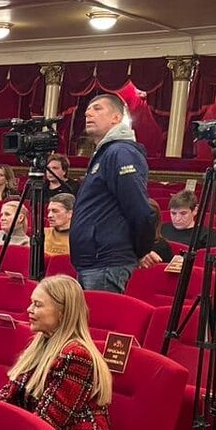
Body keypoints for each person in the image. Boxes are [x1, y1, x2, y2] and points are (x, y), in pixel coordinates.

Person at [0, 275, 112, 430]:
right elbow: (7, 396)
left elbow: (47, 423)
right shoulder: (40, 345)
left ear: (62, 313)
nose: (29, 309)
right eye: (31, 302)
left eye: (38, 305)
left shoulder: (77, 356)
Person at [68, 93, 155, 294]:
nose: (88, 113)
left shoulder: (120, 152)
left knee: (98, 322)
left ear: (116, 118)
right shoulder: (107, 152)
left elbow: (139, 209)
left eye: (98, 109)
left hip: (105, 263)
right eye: (88, 110)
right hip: (94, 262)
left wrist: (141, 250)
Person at [141, 190, 216, 268]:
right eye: (173, 213)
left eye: (183, 213)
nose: (177, 218)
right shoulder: (160, 229)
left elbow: (208, 264)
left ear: (195, 210)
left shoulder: (208, 235)